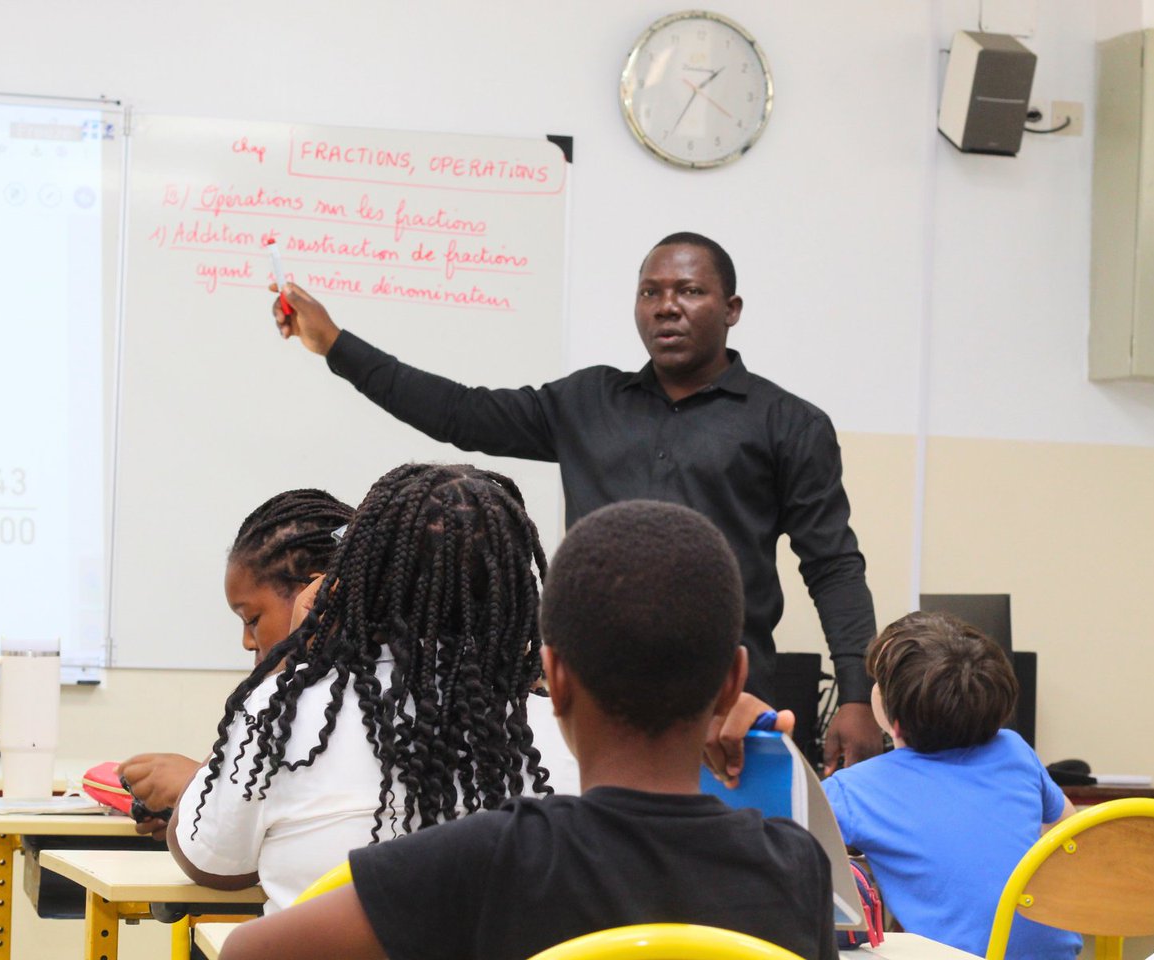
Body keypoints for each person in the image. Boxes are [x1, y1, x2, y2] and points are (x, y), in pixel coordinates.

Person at [270, 231, 881, 771]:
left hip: (727, 709)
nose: (667, 306)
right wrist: (336, 346)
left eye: (689, 291)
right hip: (592, 701)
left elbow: (832, 566)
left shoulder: (789, 424)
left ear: (731, 308)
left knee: (717, 887)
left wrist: (856, 695)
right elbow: (460, 412)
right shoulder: (587, 402)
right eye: (651, 292)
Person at [217, 500, 839, 960]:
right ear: (733, 682)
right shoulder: (798, 870)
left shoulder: (486, 858)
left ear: (553, 678)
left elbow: (246, 954)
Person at [167, 464, 578, 911]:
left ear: (351, 578)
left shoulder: (281, 719)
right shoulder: (567, 736)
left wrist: (297, 661)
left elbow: (212, 862)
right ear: (515, 589)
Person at [819, 613, 1080, 959]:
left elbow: (793, 858)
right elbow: (1068, 831)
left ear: (894, 723)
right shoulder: (1014, 749)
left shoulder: (851, 790)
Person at [118, 488, 355, 840]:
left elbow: (311, 825)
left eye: (252, 618)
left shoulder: (354, 701)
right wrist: (191, 808)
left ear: (318, 593)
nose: (247, 641)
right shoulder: (288, 704)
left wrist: (198, 788)